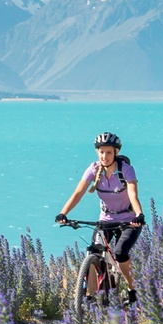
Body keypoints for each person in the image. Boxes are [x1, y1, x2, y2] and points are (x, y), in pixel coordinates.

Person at [56, 131, 142, 306]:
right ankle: (92, 296)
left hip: (129, 221)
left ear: (116, 153)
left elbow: (133, 194)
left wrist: (139, 215)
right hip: (106, 220)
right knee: (93, 252)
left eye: (109, 152)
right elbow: (78, 193)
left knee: (120, 253)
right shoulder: (94, 169)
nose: (105, 156)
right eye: (101, 152)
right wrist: (63, 213)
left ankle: (133, 290)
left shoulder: (125, 170)